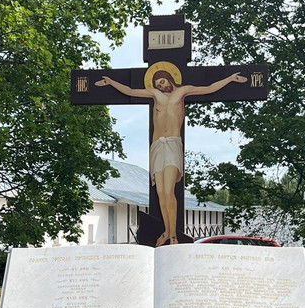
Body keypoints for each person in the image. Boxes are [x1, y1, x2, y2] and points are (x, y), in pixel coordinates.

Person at [96, 69, 248, 246]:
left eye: (163, 81)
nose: (161, 86)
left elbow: (209, 88)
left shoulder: (182, 92)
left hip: (173, 144)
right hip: (157, 146)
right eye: (158, 84)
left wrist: (230, 78)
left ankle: (173, 234)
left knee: (169, 190)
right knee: (161, 192)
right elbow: (130, 91)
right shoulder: (154, 94)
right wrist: (111, 82)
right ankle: (166, 231)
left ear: (169, 78)